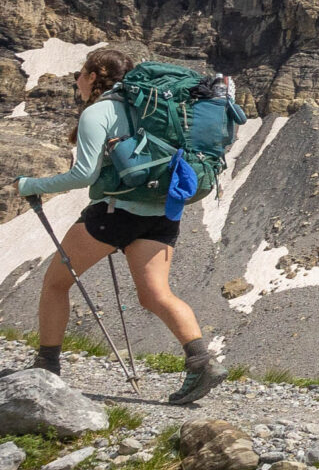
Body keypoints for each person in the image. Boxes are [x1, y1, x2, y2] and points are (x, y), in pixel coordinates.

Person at [14, 49, 223, 404]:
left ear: (94, 76)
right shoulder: (150, 109)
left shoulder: (99, 112)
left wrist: (31, 186)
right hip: (162, 211)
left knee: (55, 283)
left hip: (115, 213)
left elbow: (84, 175)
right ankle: (202, 361)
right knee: (156, 294)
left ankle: (46, 365)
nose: (77, 81)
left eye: (80, 74)